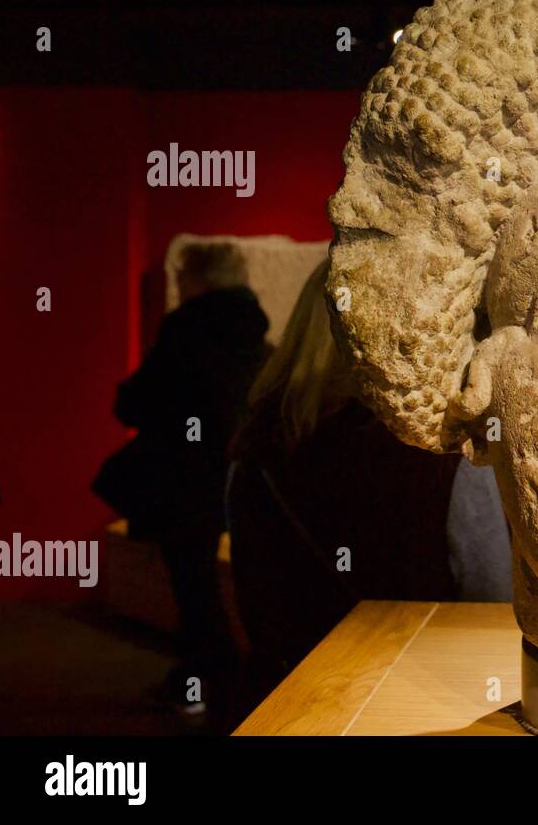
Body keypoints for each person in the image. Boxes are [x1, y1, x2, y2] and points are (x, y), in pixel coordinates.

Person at [227, 261, 462, 712]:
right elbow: (485, 587)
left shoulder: (259, 444)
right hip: (417, 690)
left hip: (292, 688)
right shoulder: (434, 448)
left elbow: (253, 594)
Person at [107, 242, 270, 724]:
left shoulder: (186, 330)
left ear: (198, 278)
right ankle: (223, 690)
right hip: (245, 479)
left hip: (187, 482)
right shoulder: (255, 332)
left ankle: (211, 689)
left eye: (182, 276)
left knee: (193, 589)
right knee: (236, 588)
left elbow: (135, 402)